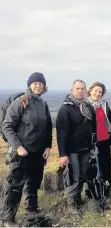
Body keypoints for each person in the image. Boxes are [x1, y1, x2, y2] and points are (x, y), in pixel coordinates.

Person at [0, 72, 52, 227]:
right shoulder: (20, 102)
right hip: (21, 153)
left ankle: (31, 208)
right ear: (29, 85)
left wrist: (48, 146)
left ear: (44, 87)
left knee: (34, 182)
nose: (37, 86)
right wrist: (18, 146)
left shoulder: (42, 104)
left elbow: (48, 128)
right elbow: (7, 126)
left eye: (40, 84)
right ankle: (7, 218)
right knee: (15, 185)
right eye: (35, 83)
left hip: (38, 152)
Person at [56, 79, 96, 215]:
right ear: (72, 90)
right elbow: (61, 133)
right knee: (73, 175)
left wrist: (92, 145)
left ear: (86, 91)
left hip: (86, 148)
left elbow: (93, 127)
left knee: (82, 175)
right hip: (71, 149)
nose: (80, 91)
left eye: (82, 89)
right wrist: (62, 154)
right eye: (77, 88)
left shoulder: (88, 107)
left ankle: (78, 199)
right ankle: (71, 203)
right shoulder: (65, 108)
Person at [86, 82, 111, 208]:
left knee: (106, 166)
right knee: (92, 168)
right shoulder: (84, 105)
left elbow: (109, 122)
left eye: (100, 92)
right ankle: (93, 193)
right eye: (95, 91)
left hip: (104, 140)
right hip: (90, 142)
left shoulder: (105, 105)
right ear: (90, 91)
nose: (97, 93)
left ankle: (106, 192)